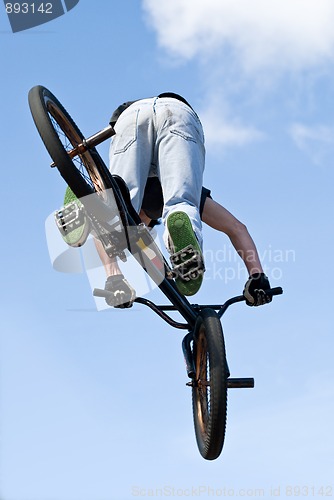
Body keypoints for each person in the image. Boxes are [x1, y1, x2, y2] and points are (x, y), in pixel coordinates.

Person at [57, 93, 272, 308]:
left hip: (131, 115)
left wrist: (114, 278)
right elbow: (237, 228)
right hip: (177, 114)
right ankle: (180, 218)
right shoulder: (185, 199)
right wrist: (257, 277)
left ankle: (83, 194)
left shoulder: (137, 213)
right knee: (181, 204)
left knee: (113, 213)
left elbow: (137, 243)